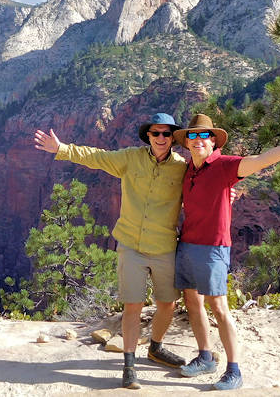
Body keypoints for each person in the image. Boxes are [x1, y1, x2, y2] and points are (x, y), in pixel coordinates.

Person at [172, 113, 280, 391]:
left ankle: (234, 370)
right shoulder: (188, 170)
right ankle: (205, 356)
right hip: (187, 244)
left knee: (218, 307)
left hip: (213, 248)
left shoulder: (225, 166)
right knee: (193, 302)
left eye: (203, 135)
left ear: (213, 141)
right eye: (192, 136)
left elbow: (261, 160)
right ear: (186, 142)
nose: (198, 141)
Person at [34, 112, 188, 390]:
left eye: (167, 134)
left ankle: (156, 348)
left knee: (168, 304)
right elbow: (97, 156)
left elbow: (202, 188)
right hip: (130, 245)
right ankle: (129, 365)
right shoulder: (130, 158)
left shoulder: (182, 167)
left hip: (164, 246)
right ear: (148, 136)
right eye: (156, 133)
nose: (161, 138)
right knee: (133, 306)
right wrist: (62, 149)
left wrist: (228, 195)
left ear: (173, 138)